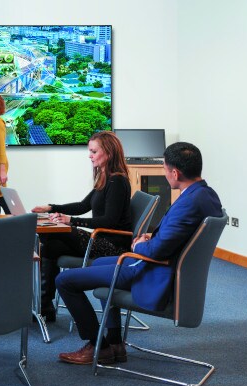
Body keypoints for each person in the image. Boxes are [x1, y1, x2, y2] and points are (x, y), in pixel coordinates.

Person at [56, 142, 222, 365]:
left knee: (64, 280)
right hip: (161, 262)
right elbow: (178, 237)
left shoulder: (187, 204)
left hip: (151, 269)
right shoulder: (206, 195)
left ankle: (98, 345)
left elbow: (157, 251)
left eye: (164, 169)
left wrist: (138, 245)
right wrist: (151, 237)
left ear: (175, 172)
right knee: (98, 264)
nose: (165, 174)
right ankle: (115, 341)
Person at [31, 131, 132, 321]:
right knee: (50, 247)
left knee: (56, 234)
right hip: (100, 240)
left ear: (108, 153)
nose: (89, 155)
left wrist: (70, 221)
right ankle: (45, 308)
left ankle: (44, 307)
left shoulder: (117, 181)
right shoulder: (105, 177)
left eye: (94, 151)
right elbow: (83, 206)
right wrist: (51, 207)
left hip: (112, 246)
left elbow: (108, 221)